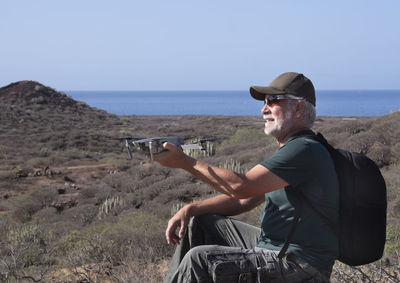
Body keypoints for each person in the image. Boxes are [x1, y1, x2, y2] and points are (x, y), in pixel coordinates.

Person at [154, 72, 339, 283]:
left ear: (298, 108)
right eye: (264, 102)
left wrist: (186, 162)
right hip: (276, 248)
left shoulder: (304, 149)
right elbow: (244, 199)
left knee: (200, 260)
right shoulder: (293, 149)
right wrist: (192, 208)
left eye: (273, 101)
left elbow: (241, 187)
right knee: (200, 223)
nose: (264, 109)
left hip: (298, 265)